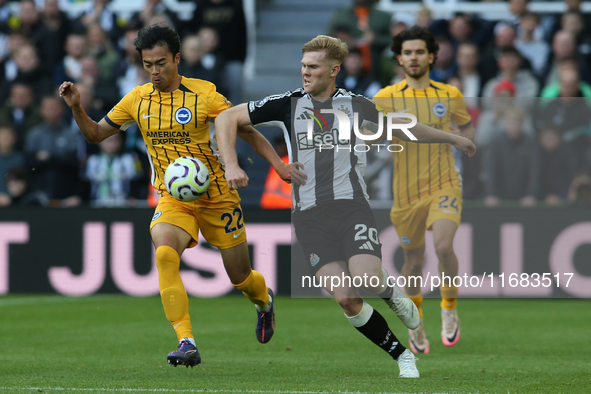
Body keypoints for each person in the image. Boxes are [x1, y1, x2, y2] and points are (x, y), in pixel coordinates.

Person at [215, 35, 476, 378]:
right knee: (346, 299)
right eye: (303, 66)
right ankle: (402, 356)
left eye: (313, 67)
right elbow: (226, 119)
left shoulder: (357, 105)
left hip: (351, 207)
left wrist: (453, 138)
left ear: (334, 70)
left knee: (367, 277)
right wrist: (233, 164)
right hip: (308, 217)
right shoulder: (287, 103)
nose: (305, 73)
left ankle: (391, 293)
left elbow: (404, 128)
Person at [59, 23, 290, 368]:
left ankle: (263, 301)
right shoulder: (136, 100)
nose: (154, 71)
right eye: (148, 64)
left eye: (161, 63)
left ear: (177, 59)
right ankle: (186, 341)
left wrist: (278, 167)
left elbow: (248, 133)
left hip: (217, 196)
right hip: (173, 196)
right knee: (165, 254)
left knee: (240, 278)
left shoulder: (205, 95)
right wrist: (77, 107)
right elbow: (95, 135)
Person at [374, 26, 476, 354]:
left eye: (419, 52)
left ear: (431, 56)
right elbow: (371, 132)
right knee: (413, 261)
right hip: (405, 194)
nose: (413, 57)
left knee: (444, 246)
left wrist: (463, 138)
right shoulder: (385, 98)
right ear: (399, 59)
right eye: (407, 53)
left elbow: (466, 125)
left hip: (445, 183)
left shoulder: (450, 94)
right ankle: (416, 321)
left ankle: (449, 307)